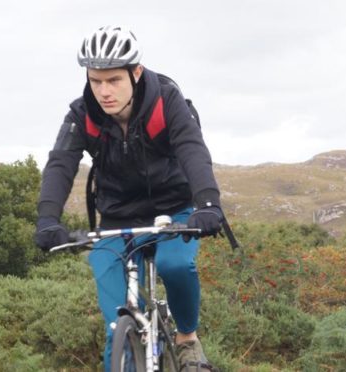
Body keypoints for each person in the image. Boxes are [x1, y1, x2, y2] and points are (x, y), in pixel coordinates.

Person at [34, 25, 224, 372]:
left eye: (114, 80)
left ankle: (187, 340)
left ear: (135, 73)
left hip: (173, 209)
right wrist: (47, 219)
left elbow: (192, 149)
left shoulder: (167, 102)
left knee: (175, 265)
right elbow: (60, 164)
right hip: (117, 217)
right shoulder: (82, 114)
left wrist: (208, 204)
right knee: (115, 321)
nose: (104, 91)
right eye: (96, 81)